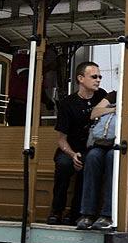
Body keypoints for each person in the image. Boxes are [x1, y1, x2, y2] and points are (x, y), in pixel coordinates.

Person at [46, 61, 107, 225]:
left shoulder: (102, 95)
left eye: (100, 76)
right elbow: (61, 139)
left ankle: (75, 214)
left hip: (91, 148)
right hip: (70, 148)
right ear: (81, 78)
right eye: (94, 76)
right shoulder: (68, 103)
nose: (98, 80)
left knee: (89, 164)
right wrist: (72, 154)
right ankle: (56, 210)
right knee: (64, 165)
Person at [76, 90, 117, 231]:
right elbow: (94, 113)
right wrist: (116, 109)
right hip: (103, 142)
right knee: (92, 156)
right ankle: (87, 214)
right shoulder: (114, 95)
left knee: (113, 158)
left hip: (124, 145)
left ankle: (107, 214)